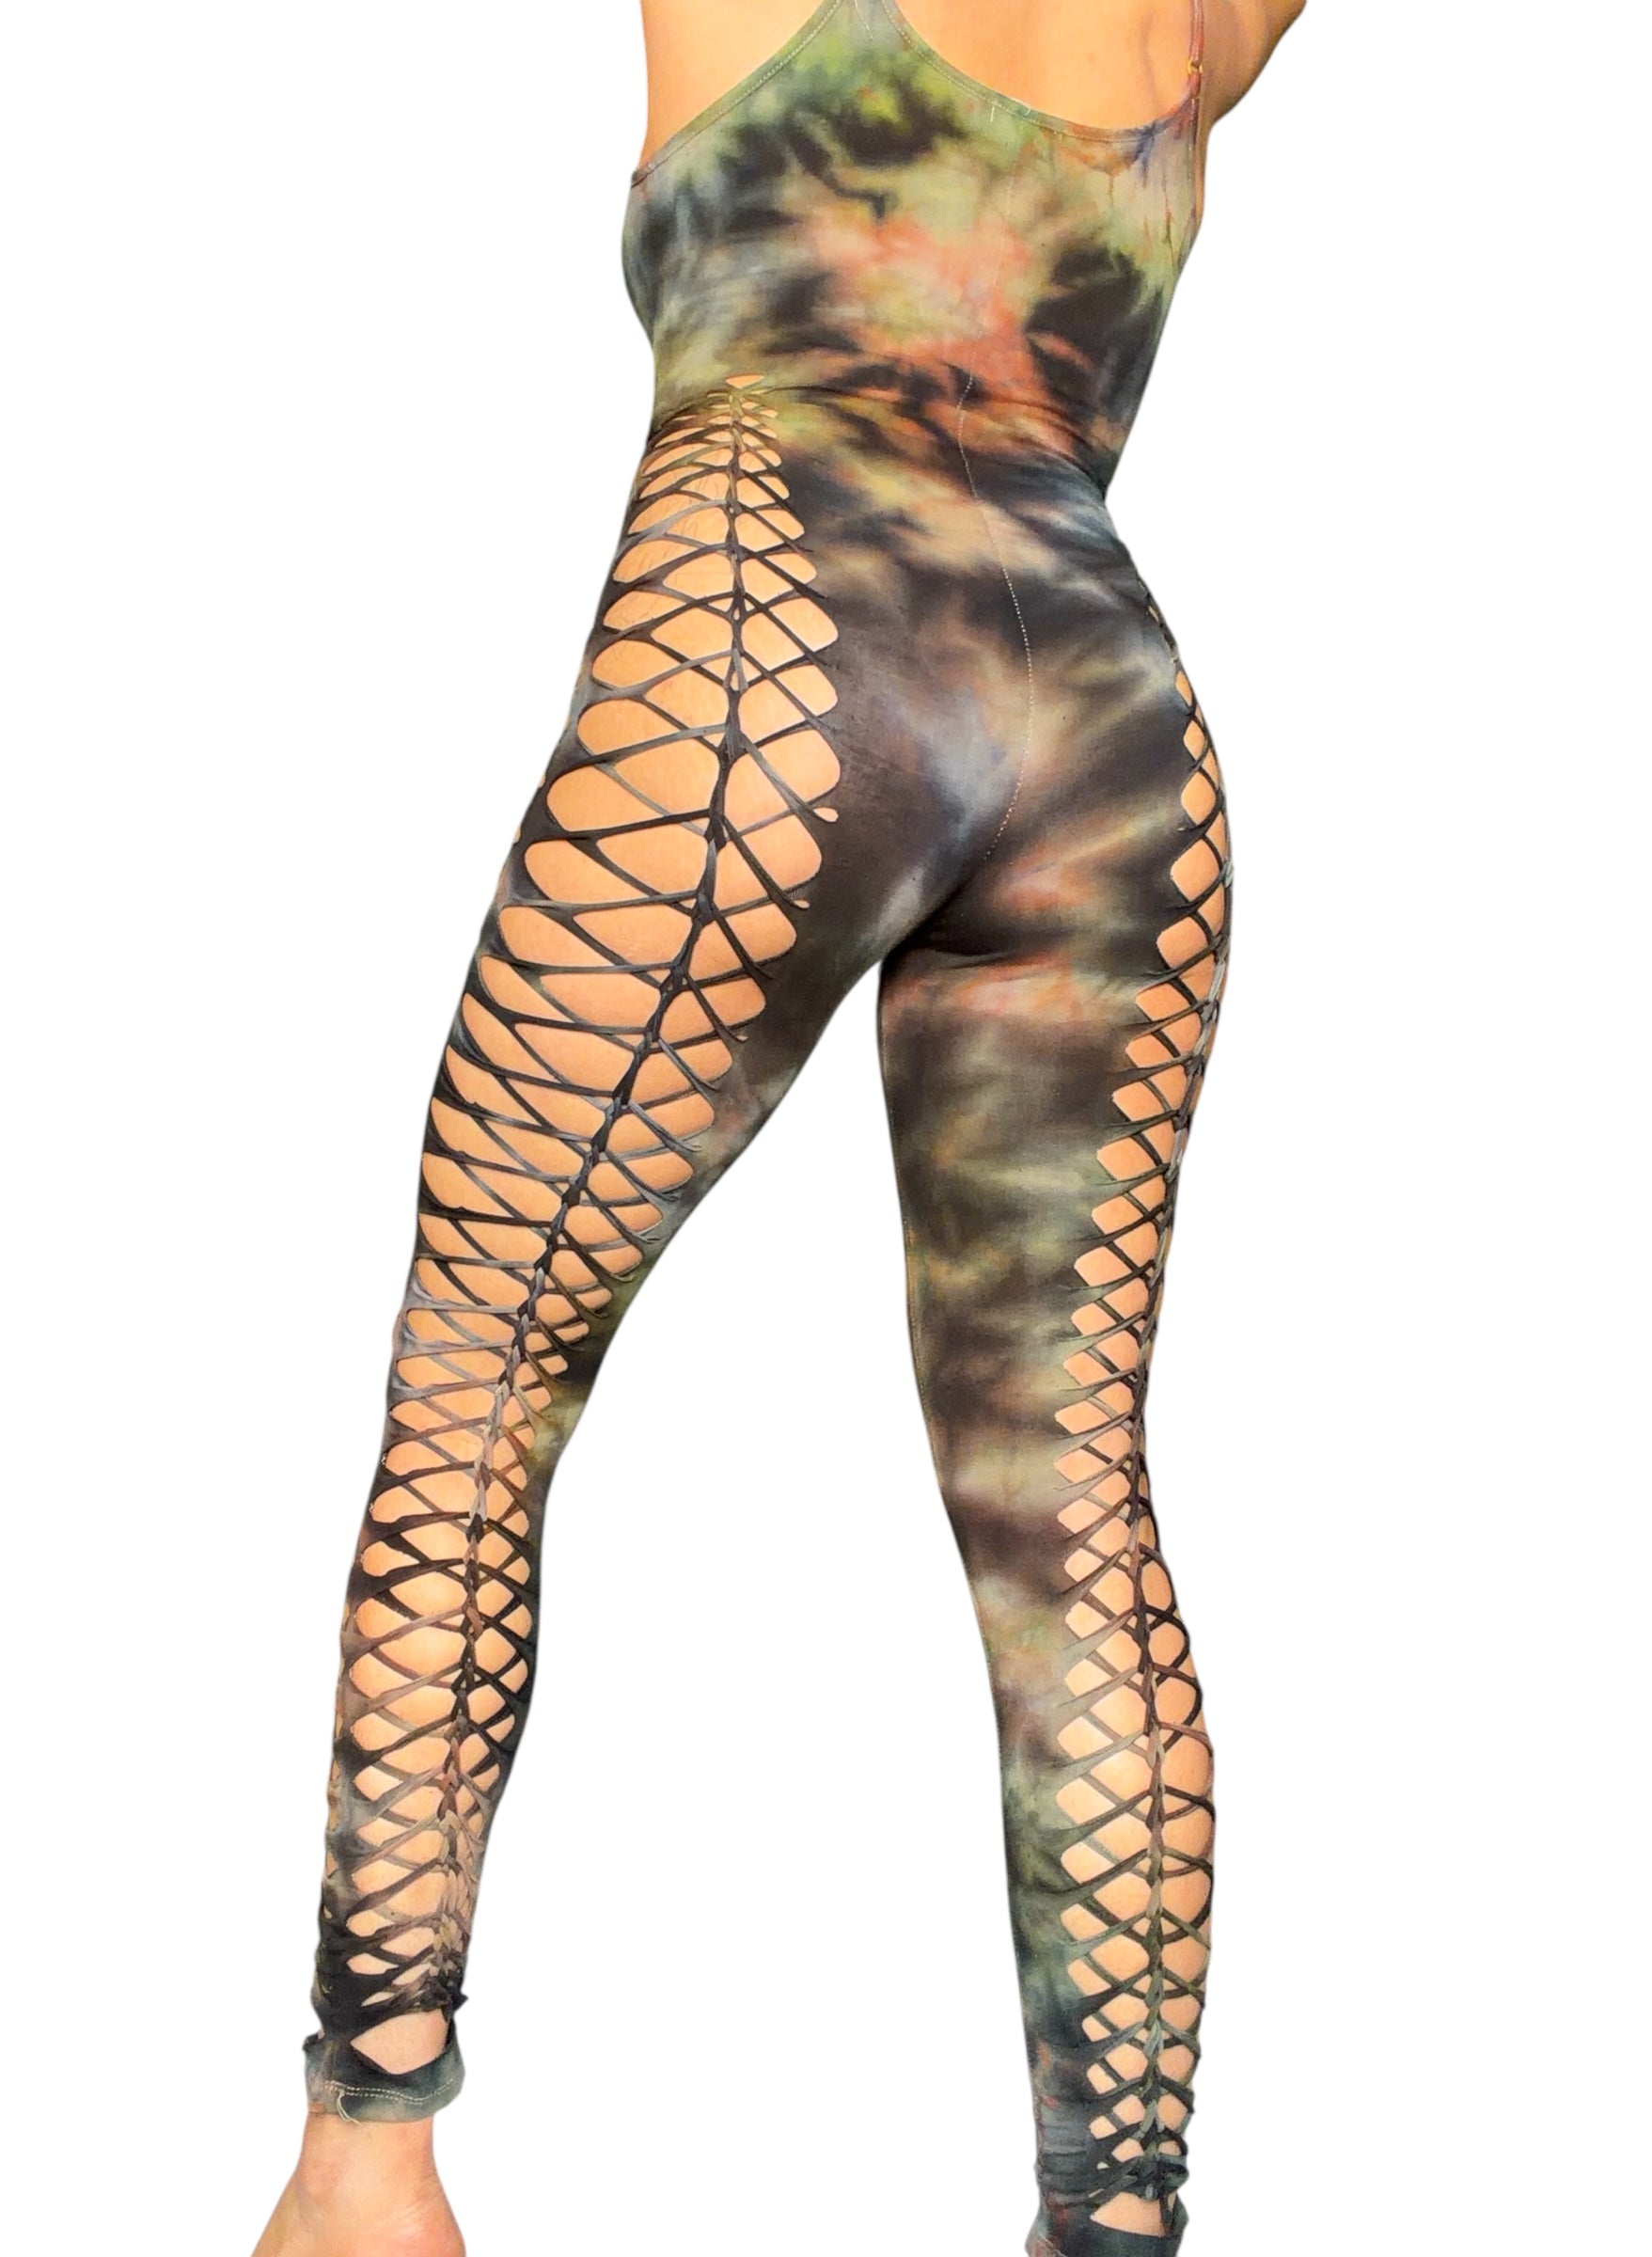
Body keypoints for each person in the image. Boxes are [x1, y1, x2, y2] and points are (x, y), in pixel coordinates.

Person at [254, 5, 1306, 2251]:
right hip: (1115, 734)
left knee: (477, 1378)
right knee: (1069, 1513)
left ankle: (364, 2164)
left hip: (765, 647)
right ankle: (1119, 2224)